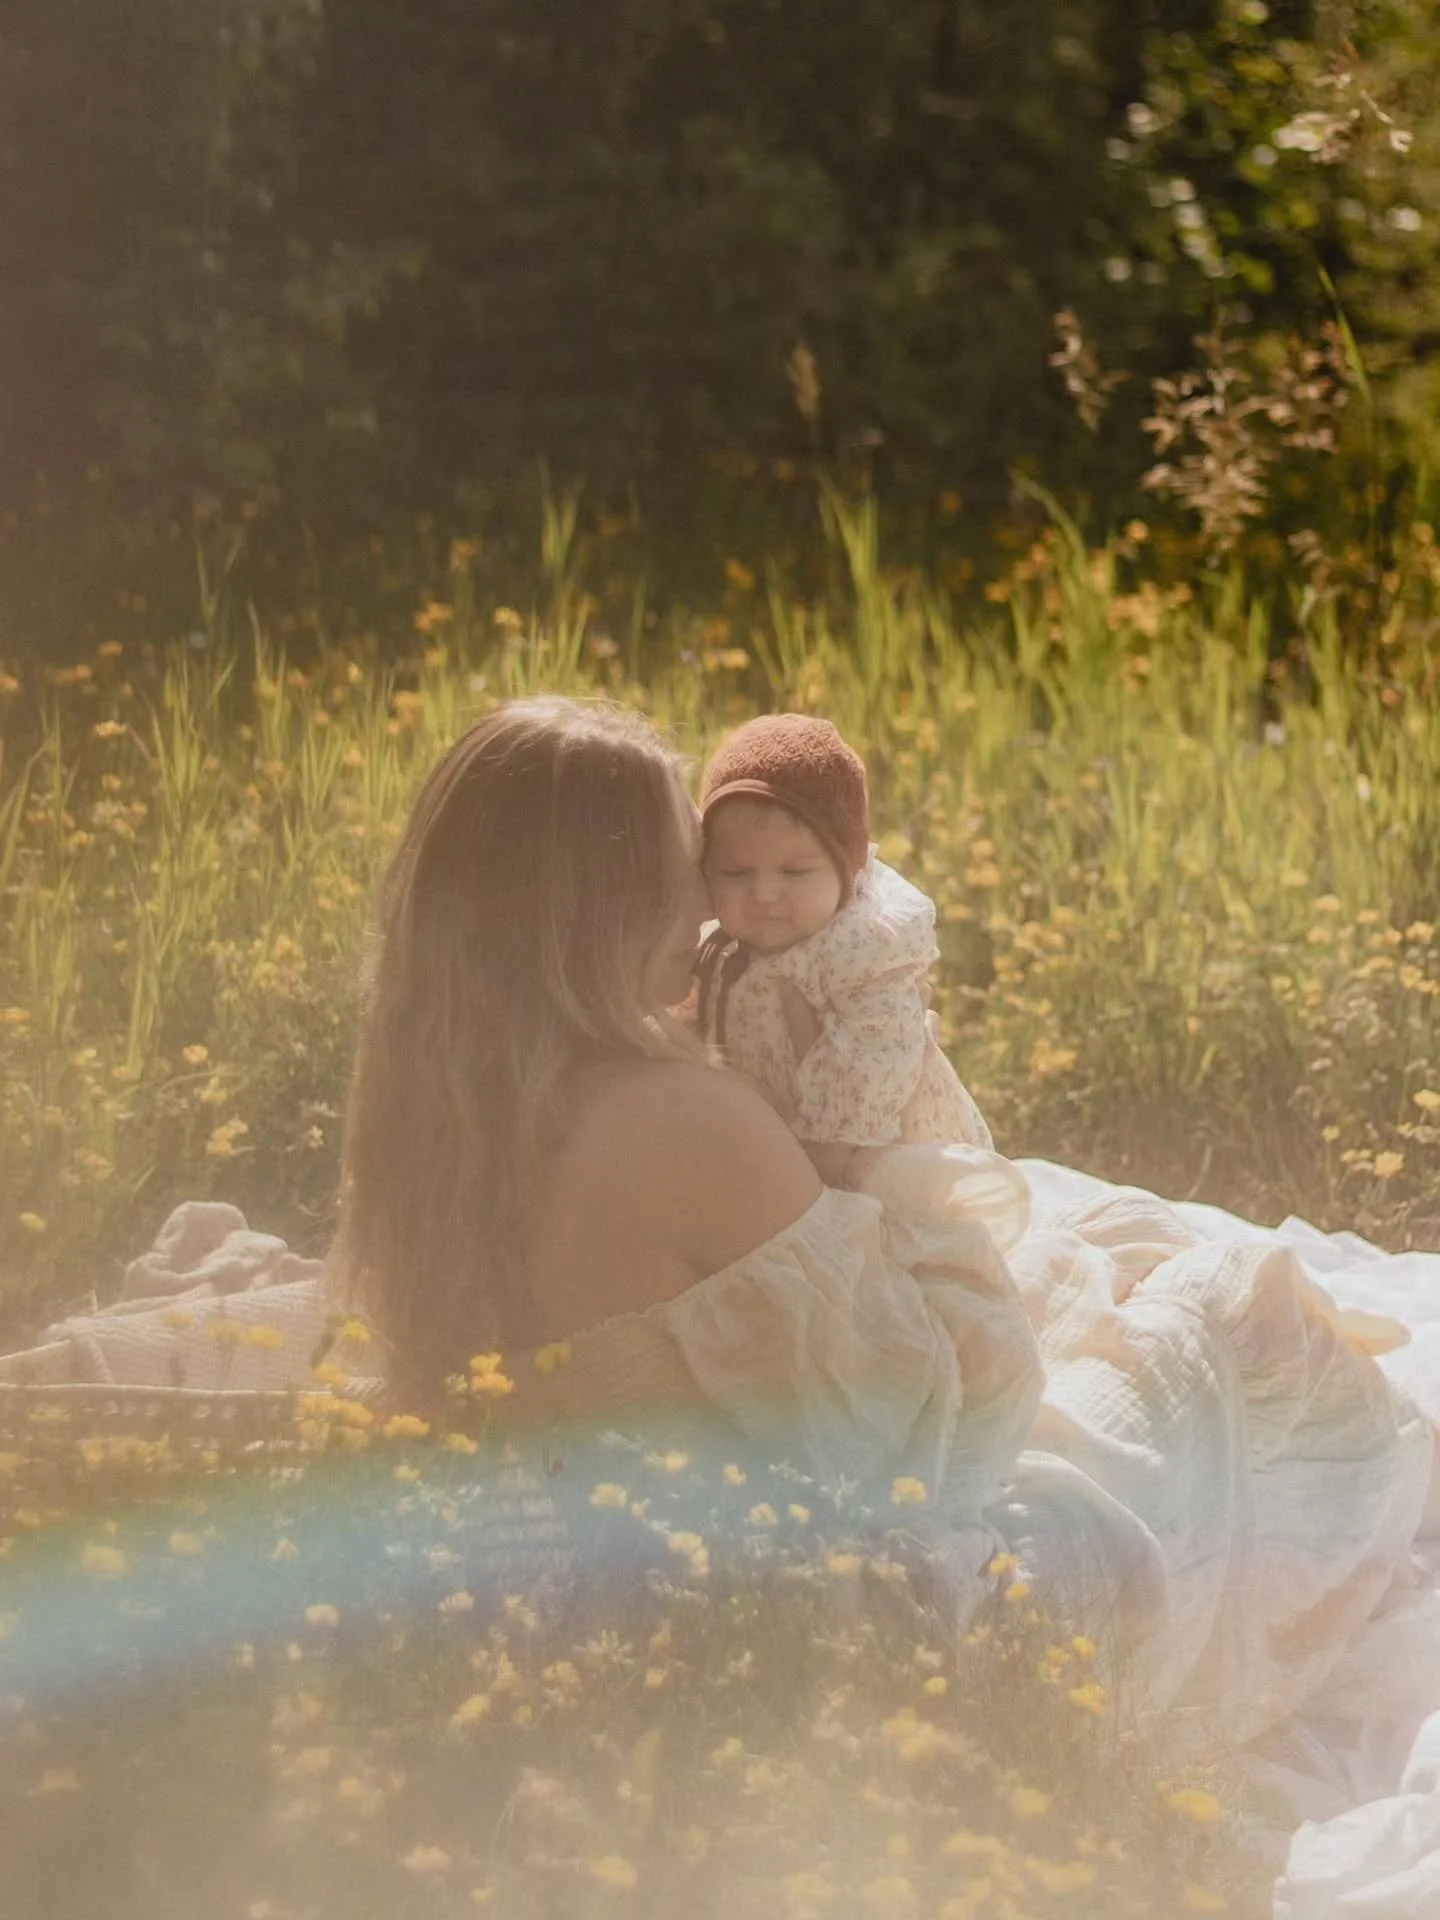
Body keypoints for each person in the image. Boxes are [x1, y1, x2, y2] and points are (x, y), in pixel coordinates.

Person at [318, 695, 1440, 1907]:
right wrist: (935, 1233)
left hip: (577, 1567)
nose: (711, 904)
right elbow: (929, 1421)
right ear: (598, 904)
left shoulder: (426, 1111)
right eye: (681, 867)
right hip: (821, 1610)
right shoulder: (679, 1117)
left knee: (1120, 1273)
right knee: (1245, 1319)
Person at [695, 713, 992, 1189]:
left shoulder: (860, 947)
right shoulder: (718, 944)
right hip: (771, 1146)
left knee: (889, 1239)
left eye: (795, 872)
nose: (765, 892)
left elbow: (876, 1059)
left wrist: (829, 1158)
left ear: (848, 869)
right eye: (735, 872)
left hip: (865, 1154)